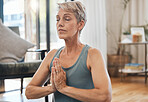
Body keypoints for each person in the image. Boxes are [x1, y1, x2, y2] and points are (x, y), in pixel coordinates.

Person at [25, 1, 112, 102]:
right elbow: (29, 92)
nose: (60, 24)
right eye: (57, 19)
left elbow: (105, 96)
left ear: (80, 24)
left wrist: (64, 88)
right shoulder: (52, 55)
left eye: (66, 19)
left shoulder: (93, 54)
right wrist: (52, 88)